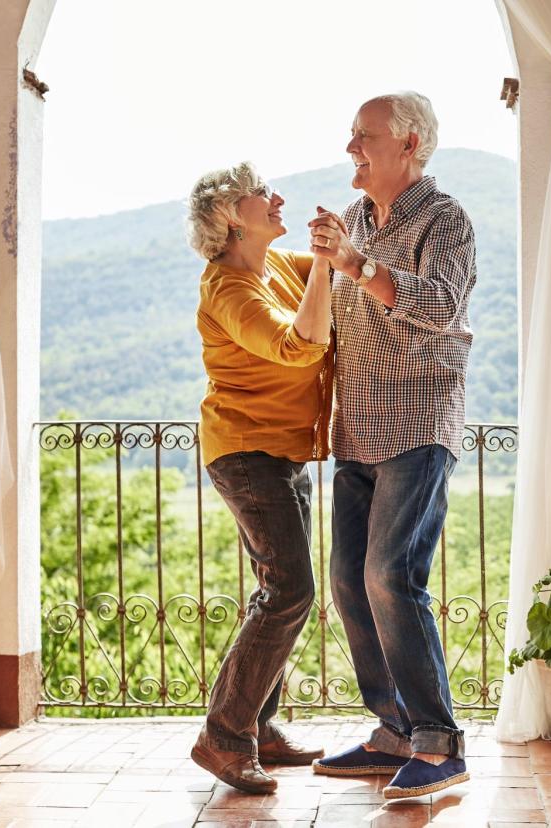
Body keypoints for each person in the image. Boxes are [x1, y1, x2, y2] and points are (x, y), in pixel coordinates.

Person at [308, 92, 477, 799]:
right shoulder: (353, 220)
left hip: (417, 424)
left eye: (365, 136)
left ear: (409, 144)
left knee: (389, 576)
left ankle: (439, 747)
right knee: (349, 580)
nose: (352, 146)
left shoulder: (446, 220)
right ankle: (393, 732)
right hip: (358, 428)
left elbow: (442, 306)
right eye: (351, 135)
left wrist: (357, 265)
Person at [185, 162, 334, 794]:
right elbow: (301, 344)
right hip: (245, 453)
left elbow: (345, 280)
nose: (277, 199)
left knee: (278, 590)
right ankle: (223, 737)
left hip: (283, 452)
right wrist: (328, 264)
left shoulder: (273, 265)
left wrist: (337, 249)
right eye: (259, 195)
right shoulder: (228, 288)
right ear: (230, 219)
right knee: (289, 590)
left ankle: (258, 728)